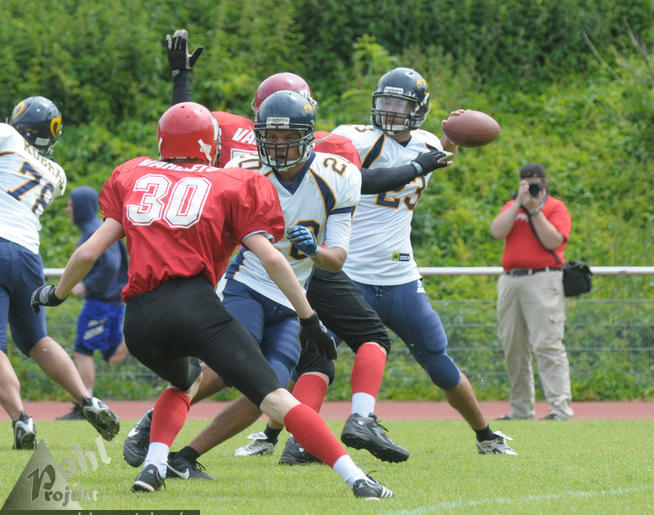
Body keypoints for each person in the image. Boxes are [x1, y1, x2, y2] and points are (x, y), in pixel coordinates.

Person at [121, 30, 451, 472]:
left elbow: (189, 130)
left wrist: (181, 79)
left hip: (308, 267)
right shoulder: (248, 152)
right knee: (242, 365)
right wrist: (418, 165)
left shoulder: (316, 152)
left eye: (287, 131)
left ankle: (292, 440)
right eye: (271, 129)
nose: (279, 139)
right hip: (259, 267)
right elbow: (187, 129)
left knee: (313, 363)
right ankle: (168, 425)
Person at [31, 101, 393, 498]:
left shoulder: (133, 174)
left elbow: (87, 252)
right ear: (211, 145)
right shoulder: (231, 182)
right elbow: (273, 258)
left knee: (185, 381)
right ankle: (358, 480)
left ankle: (154, 466)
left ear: (162, 142)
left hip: (139, 321)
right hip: (196, 308)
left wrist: (56, 293)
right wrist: (309, 317)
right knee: (276, 399)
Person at [331, 67, 516, 455]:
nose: (391, 110)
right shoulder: (353, 138)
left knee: (439, 361)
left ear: (419, 110)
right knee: (309, 357)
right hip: (348, 275)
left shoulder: (428, 142)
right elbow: (353, 178)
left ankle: (486, 436)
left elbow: (441, 157)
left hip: (399, 277)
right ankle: (281, 436)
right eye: (385, 101)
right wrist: (423, 162)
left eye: (400, 104)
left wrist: (453, 140)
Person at [0, 96, 121, 449]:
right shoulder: (56, 173)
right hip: (28, 255)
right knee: (37, 340)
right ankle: (87, 399)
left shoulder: (7, 135)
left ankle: (20, 418)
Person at [489, 162, 574, 421]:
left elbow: (553, 241)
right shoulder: (512, 205)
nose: (532, 186)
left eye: (536, 182)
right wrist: (518, 202)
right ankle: (521, 409)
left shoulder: (555, 207)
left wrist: (535, 210)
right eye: (526, 182)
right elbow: (496, 231)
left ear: (545, 183)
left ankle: (560, 409)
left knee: (547, 343)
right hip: (511, 280)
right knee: (513, 346)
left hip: (543, 279)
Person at [58, 186, 129, 420]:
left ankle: (85, 405)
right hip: (109, 301)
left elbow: (110, 265)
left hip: (101, 303)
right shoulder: (98, 228)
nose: (68, 209)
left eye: (71, 204)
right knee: (112, 354)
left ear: (81, 206)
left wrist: (87, 285)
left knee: (83, 350)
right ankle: (137, 335)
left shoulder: (94, 230)